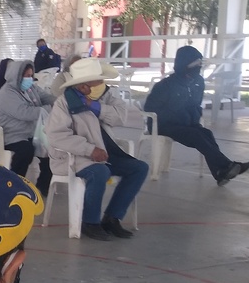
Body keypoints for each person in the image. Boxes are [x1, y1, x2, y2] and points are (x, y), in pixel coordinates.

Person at [45, 57, 148, 240]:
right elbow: (58, 136)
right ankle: (90, 222)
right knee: (100, 172)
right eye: (97, 81)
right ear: (83, 86)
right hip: (74, 158)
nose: (102, 84)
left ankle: (112, 218)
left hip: (104, 153)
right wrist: (89, 150)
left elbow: (120, 116)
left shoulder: (105, 96)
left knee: (139, 168)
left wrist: (95, 107)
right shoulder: (65, 102)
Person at [144, 46, 248, 185]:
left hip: (187, 123)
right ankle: (227, 166)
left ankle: (220, 173)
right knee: (196, 136)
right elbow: (150, 108)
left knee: (207, 134)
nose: (198, 68)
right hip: (163, 125)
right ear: (184, 65)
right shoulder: (165, 85)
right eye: (195, 64)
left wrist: (192, 118)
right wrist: (178, 116)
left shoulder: (198, 82)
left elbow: (196, 104)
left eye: (200, 64)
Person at [0, 60, 55, 194]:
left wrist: (59, 103)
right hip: (13, 134)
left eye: (31, 75)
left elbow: (46, 97)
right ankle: (14, 184)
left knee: (51, 147)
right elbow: (25, 113)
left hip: (32, 132)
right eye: (26, 76)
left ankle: (43, 186)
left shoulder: (30, 88)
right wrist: (49, 108)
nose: (29, 79)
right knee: (26, 151)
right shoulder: (7, 93)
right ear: (17, 75)